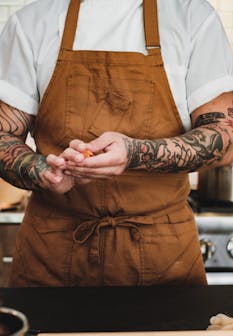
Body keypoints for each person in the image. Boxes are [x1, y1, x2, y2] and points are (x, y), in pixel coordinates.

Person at [0, 0, 232, 287]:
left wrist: (135, 153)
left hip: (162, 253)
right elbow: (4, 135)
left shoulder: (191, 17)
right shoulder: (32, 23)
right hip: (52, 251)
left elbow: (224, 134)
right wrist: (42, 170)